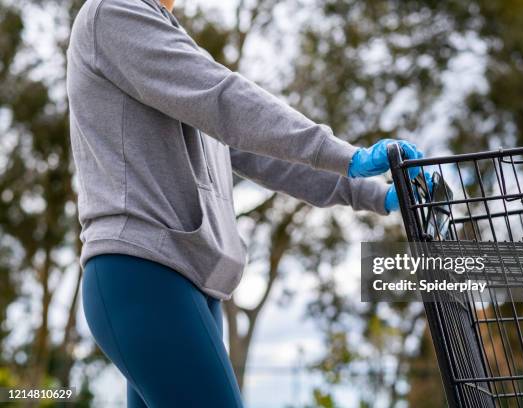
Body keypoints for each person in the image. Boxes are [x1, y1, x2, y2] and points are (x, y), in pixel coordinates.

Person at [66, 0, 422, 406]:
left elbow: (263, 156)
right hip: (145, 272)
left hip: (191, 282)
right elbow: (225, 100)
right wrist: (343, 153)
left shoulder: (168, 37)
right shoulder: (113, 12)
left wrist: (379, 193)